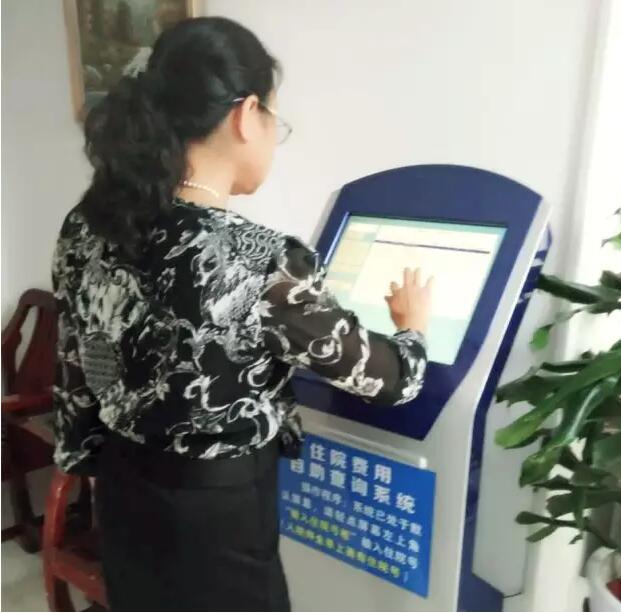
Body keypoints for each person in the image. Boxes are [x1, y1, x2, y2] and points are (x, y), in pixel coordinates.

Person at [52, 16, 431, 612]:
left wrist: (93, 470)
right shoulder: (258, 260)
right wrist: (413, 326)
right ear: (246, 114)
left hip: (123, 493)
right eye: (275, 120)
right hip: (215, 521)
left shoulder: (87, 224)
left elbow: (76, 367)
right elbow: (391, 381)